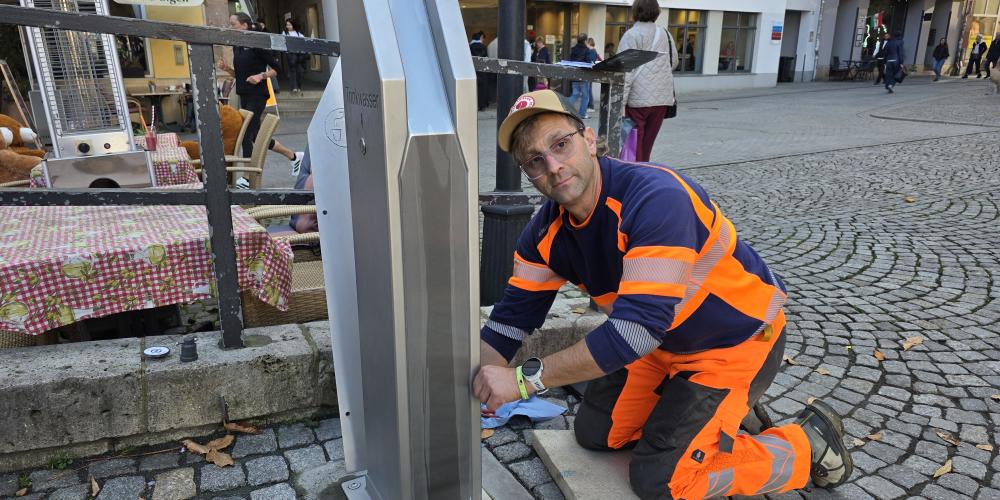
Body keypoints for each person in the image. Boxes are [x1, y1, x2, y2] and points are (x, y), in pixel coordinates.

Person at [476, 88, 853, 499]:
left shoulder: (656, 198)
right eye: (534, 160)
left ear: (587, 139)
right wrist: (466, 388)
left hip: (735, 344)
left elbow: (636, 330)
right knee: (595, 434)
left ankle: (807, 445)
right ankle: (707, 421)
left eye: (560, 144)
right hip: (659, 348)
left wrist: (522, 381)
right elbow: (509, 322)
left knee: (663, 481)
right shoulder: (545, 233)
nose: (552, 165)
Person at [217, 12, 302, 173]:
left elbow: (277, 69)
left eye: (233, 24)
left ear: (244, 25)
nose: (230, 27)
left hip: (258, 95)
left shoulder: (257, 44)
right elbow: (240, 75)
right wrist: (227, 69)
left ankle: (248, 177)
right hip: (244, 94)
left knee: (246, 133)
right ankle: (293, 156)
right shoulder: (237, 46)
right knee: (256, 136)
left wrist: (260, 76)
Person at [616, 0, 678, 162]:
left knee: (634, 146)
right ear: (656, 12)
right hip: (661, 100)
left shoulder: (631, 35)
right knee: (646, 146)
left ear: (636, 11)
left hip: (638, 101)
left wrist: (620, 104)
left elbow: (625, 72)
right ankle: (644, 173)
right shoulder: (665, 33)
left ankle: (635, 179)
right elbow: (674, 62)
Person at [567, 34, 597, 118]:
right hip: (583, 75)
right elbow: (590, 61)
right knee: (585, 96)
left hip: (574, 75)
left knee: (575, 94)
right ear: (585, 41)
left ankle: (566, 110)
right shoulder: (586, 50)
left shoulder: (573, 49)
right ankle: (582, 114)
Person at [283, 19, 306, 93]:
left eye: (289, 24)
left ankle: (299, 86)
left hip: (298, 54)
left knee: (300, 71)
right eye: (287, 25)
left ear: (293, 25)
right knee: (292, 70)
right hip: (290, 53)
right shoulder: (285, 33)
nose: (288, 26)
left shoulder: (299, 34)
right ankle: (294, 87)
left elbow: (303, 42)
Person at [470, 31, 490, 111]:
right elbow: (486, 58)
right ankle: (482, 105)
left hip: (473, 70)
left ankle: (474, 104)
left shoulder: (470, 46)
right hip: (482, 70)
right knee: (482, 88)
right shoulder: (483, 46)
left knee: (474, 87)